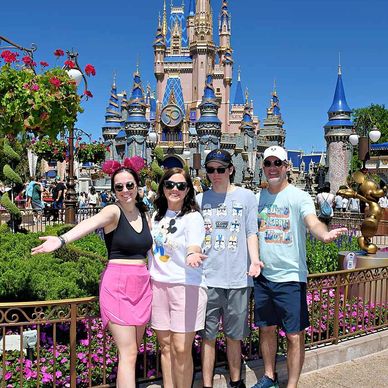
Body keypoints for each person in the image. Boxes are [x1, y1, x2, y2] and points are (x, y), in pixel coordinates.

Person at [32, 167, 153, 387]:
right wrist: (61, 240)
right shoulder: (113, 211)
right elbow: (89, 223)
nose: (125, 190)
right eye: (119, 187)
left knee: (133, 352)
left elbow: (156, 250)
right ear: (114, 190)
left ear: (137, 185)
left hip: (142, 286)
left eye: (129, 185)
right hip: (118, 285)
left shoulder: (144, 214)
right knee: (129, 353)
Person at [253, 146, 347, 388]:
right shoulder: (258, 198)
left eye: (277, 163)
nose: (272, 168)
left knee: (294, 335)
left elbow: (312, 222)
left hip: (291, 277)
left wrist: (323, 234)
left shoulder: (299, 197)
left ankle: (292, 384)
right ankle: (269, 376)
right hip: (263, 277)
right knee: (266, 329)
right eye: (268, 163)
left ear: (286, 167)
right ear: (263, 168)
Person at [196, 149, 262, 388]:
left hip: (237, 280)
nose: (215, 174)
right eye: (211, 170)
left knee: (234, 336)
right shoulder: (200, 200)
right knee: (208, 337)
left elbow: (251, 232)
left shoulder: (246, 197)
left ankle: (236, 382)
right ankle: (206, 384)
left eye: (220, 169)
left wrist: (254, 260)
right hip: (208, 279)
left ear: (231, 169)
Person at [149, 167, 207, 388]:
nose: (175, 189)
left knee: (181, 348)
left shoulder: (193, 218)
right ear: (162, 187)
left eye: (181, 186)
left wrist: (193, 253)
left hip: (186, 286)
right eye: (169, 184)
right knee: (165, 346)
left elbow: (194, 242)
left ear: (188, 190)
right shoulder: (156, 216)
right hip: (158, 286)